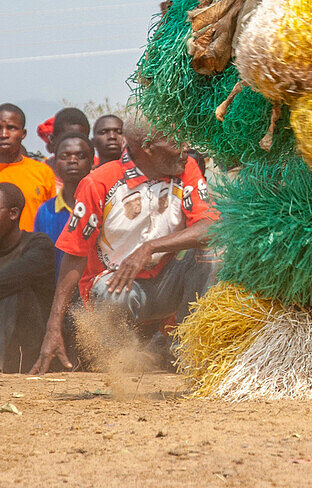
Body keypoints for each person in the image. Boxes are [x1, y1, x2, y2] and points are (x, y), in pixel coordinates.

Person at [31, 115, 219, 373]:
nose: (186, 147)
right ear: (149, 148)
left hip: (166, 281)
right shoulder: (98, 182)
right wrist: (53, 327)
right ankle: (119, 362)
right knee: (110, 292)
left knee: (212, 254)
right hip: (118, 288)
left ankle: (188, 352)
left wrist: (150, 247)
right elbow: (74, 254)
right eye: (176, 141)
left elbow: (210, 228)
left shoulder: (186, 169)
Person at [0, 182, 56, 372]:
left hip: (30, 349)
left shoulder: (38, 245)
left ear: (13, 213)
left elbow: (7, 280)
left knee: (12, 293)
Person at [33, 135, 94, 274]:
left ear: (92, 163)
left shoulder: (102, 206)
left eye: (80, 155)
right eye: (65, 156)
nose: (72, 161)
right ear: (54, 163)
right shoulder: (45, 211)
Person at [0, 104, 56, 231]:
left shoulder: (42, 172)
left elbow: (51, 219)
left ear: (23, 133)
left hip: (34, 249)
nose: (4, 134)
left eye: (11, 128)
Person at [44, 108, 91, 180]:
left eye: (79, 140)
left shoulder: (98, 177)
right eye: (67, 140)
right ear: (52, 140)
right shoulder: (37, 176)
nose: (74, 146)